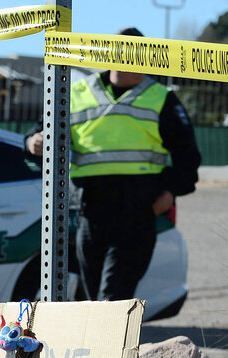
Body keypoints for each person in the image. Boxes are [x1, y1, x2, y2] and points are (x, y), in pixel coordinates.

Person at [25, 26, 201, 302]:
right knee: (94, 298)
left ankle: (111, 344)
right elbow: (38, 132)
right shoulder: (76, 93)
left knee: (113, 296)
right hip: (90, 212)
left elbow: (188, 157)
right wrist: (33, 141)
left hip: (138, 211)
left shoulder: (161, 98)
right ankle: (103, 346)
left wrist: (168, 194)